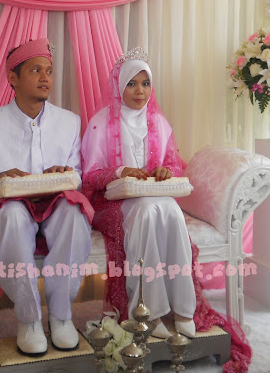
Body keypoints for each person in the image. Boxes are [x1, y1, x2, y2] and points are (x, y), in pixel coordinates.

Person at [0, 38, 93, 356]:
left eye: (49, 70)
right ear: (13, 78)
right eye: (35, 70)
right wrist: (1, 177)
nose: (45, 77)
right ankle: (29, 319)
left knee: (73, 213)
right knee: (12, 215)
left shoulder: (69, 122)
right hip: (7, 207)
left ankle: (61, 315)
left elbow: (77, 177)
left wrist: (63, 173)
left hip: (54, 204)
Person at [81, 46, 196, 339]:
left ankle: (183, 306)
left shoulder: (158, 121)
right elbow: (89, 177)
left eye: (145, 83)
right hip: (113, 202)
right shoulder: (101, 122)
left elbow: (174, 164)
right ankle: (148, 310)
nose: (139, 91)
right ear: (119, 85)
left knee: (172, 211)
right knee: (146, 211)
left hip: (154, 197)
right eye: (131, 83)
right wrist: (121, 171)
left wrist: (166, 171)